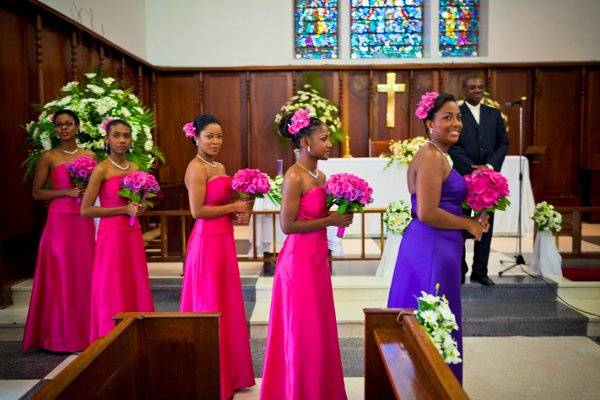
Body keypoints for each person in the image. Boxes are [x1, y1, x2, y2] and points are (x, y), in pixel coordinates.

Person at [387, 92, 488, 383]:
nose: (456, 122)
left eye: (458, 117)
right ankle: (427, 385)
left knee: (436, 319)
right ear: (429, 122)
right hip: (430, 245)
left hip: (438, 245)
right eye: (447, 117)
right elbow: (427, 212)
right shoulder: (431, 155)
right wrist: (468, 224)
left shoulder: (441, 154)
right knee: (430, 321)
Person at [260, 109, 352, 400]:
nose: (329, 144)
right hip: (297, 262)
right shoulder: (293, 177)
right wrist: (329, 221)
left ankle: (320, 389)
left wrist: (342, 210)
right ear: (304, 142)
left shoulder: (320, 175)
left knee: (318, 328)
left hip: (316, 260)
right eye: (323, 139)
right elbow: (287, 226)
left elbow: (318, 214)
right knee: (302, 329)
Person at [179, 114, 255, 399]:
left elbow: (221, 204)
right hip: (206, 242)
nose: (215, 141)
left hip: (223, 240)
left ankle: (231, 372)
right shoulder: (196, 168)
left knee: (227, 302)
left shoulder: (220, 166)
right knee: (210, 301)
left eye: (219, 136)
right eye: (209, 135)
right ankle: (210, 375)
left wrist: (236, 211)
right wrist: (231, 206)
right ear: (196, 137)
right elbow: (197, 211)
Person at [23, 109, 96, 352]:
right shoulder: (48, 156)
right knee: (62, 275)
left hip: (82, 220)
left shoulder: (89, 154)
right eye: (59, 125)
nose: (63, 128)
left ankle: (88, 332)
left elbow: (96, 189)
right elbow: (37, 193)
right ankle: (59, 336)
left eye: (68, 124)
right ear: (54, 129)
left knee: (84, 273)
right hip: (59, 223)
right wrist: (66, 192)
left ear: (77, 126)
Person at [81, 119, 154, 342]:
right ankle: (109, 336)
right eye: (116, 135)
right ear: (107, 139)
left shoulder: (135, 168)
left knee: (134, 279)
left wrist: (139, 207)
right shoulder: (101, 170)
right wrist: (123, 209)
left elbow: (139, 204)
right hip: (111, 234)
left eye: (126, 135)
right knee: (112, 282)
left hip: (132, 233)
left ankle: (137, 333)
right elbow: (86, 210)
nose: (122, 140)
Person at [449, 76, 509, 286]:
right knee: (460, 222)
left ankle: (480, 271)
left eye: (480, 87)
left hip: (489, 181)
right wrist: (472, 168)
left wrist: (489, 167)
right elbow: (453, 144)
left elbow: (503, 143)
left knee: (486, 225)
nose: (477, 90)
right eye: (472, 87)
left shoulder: (493, 114)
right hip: (463, 178)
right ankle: (460, 269)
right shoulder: (457, 114)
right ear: (464, 90)